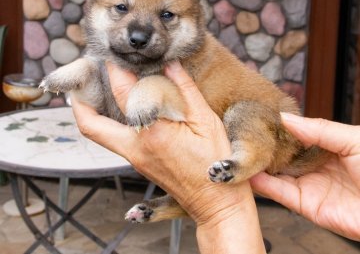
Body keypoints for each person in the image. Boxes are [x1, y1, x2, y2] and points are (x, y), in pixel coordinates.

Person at [71, 61, 360, 254]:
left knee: (239, 119)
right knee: (203, 168)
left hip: (264, 136)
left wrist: (219, 212)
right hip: (258, 145)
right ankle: (173, 204)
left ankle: (241, 163)